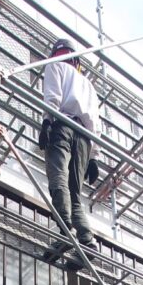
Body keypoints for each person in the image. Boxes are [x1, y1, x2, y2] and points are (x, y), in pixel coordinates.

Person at [38, 37, 100, 248]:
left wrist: (47, 121)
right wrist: (93, 157)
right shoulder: (88, 85)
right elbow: (95, 123)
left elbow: (53, 96)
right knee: (75, 194)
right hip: (84, 137)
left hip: (62, 126)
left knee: (58, 178)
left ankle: (66, 232)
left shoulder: (54, 66)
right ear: (77, 62)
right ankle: (87, 239)